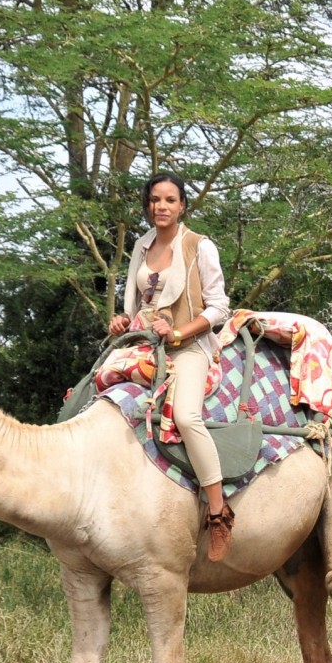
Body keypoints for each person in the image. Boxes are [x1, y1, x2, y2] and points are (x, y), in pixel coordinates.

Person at [108, 172, 235, 561]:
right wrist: (121, 321)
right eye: (155, 200)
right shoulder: (140, 245)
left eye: (170, 200)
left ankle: (218, 511)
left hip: (188, 346)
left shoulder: (199, 246)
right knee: (95, 397)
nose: (161, 206)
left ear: (182, 206)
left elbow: (219, 307)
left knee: (185, 415)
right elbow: (134, 306)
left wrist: (178, 334)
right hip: (140, 344)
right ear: (148, 205)